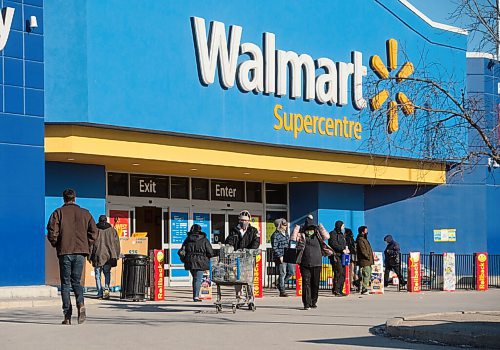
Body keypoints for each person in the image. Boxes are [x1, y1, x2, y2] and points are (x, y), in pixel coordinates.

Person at [47, 188, 98, 325]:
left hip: (65, 252)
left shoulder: (58, 213)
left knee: (65, 283)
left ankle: (67, 315)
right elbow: (94, 232)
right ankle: (80, 304)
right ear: (75, 198)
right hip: (81, 252)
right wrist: (87, 245)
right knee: (76, 281)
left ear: (64, 199)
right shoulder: (85, 213)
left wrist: (57, 244)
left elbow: (52, 231)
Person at [291, 215, 330, 310]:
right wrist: (297, 227)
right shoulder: (301, 235)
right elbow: (293, 238)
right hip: (304, 263)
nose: (310, 230)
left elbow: (327, 236)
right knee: (306, 283)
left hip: (317, 263)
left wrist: (320, 226)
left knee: (315, 283)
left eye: (312, 228)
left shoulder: (318, 235)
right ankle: (306, 303)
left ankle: (313, 301)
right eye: (308, 228)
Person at [225, 210, 260, 299]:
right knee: (237, 278)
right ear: (239, 220)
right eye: (242, 220)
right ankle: (239, 295)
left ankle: (250, 296)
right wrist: (230, 247)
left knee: (248, 278)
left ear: (249, 221)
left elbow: (256, 242)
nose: (243, 222)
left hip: (248, 258)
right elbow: (229, 241)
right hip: (236, 258)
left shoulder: (253, 230)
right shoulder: (234, 230)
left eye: (245, 220)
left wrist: (250, 251)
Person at [180, 224, 214, 301]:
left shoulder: (187, 239)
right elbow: (210, 252)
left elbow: (182, 250)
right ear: (200, 230)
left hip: (190, 261)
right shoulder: (204, 239)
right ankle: (196, 297)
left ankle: (195, 295)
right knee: (197, 279)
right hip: (201, 261)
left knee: (195, 278)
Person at [89, 215, 121, 300]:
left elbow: (91, 243)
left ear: (99, 221)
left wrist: (89, 255)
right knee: (107, 273)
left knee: (97, 275)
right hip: (109, 255)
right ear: (106, 221)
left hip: (97, 255)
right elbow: (117, 244)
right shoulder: (112, 231)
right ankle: (106, 288)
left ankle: (99, 293)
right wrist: (117, 254)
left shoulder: (95, 230)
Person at [270, 218, 294, 297]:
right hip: (281, 257)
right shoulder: (275, 235)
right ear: (279, 225)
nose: (286, 226)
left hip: (288, 256)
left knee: (291, 272)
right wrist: (279, 256)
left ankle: (278, 284)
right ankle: (282, 291)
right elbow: (275, 247)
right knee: (282, 273)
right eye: (284, 225)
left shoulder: (286, 234)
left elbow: (288, 244)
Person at [328, 220, 349, 296]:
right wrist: (341, 249)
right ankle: (336, 290)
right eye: (342, 226)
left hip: (342, 256)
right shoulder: (333, 234)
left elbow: (344, 244)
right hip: (336, 256)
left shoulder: (341, 234)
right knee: (338, 272)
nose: (343, 227)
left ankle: (340, 289)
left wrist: (346, 249)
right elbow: (333, 244)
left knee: (343, 273)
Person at [356, 225, 374, 295]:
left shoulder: (364, 239)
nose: (367, 232)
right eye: (366, 230)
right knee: (365, 274)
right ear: (362, 231)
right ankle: (364, 289)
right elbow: (363, 250)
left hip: (367, 261)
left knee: (368, 274)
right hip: (364, 261)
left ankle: (359, 284)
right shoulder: (360, 239)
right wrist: (368, 257)